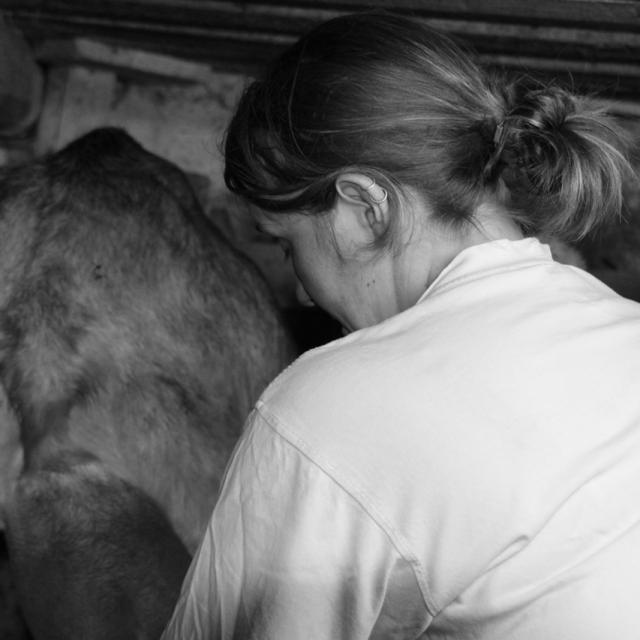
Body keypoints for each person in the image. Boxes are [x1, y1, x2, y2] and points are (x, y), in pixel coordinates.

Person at [161, 11, 640, 640]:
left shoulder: (325, 413)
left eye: (286, 245)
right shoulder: (623, 327)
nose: (302, 288)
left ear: (366, 206)